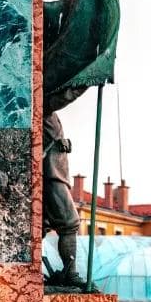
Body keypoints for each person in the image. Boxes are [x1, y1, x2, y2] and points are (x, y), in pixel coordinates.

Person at [43, 111, 86, 288]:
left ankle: (68, 273)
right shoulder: (41, 98)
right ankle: (70, 274)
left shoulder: (49, 109)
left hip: (55, 172)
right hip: (49, 173)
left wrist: (64, 143)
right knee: (69, 222)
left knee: (41, 226)